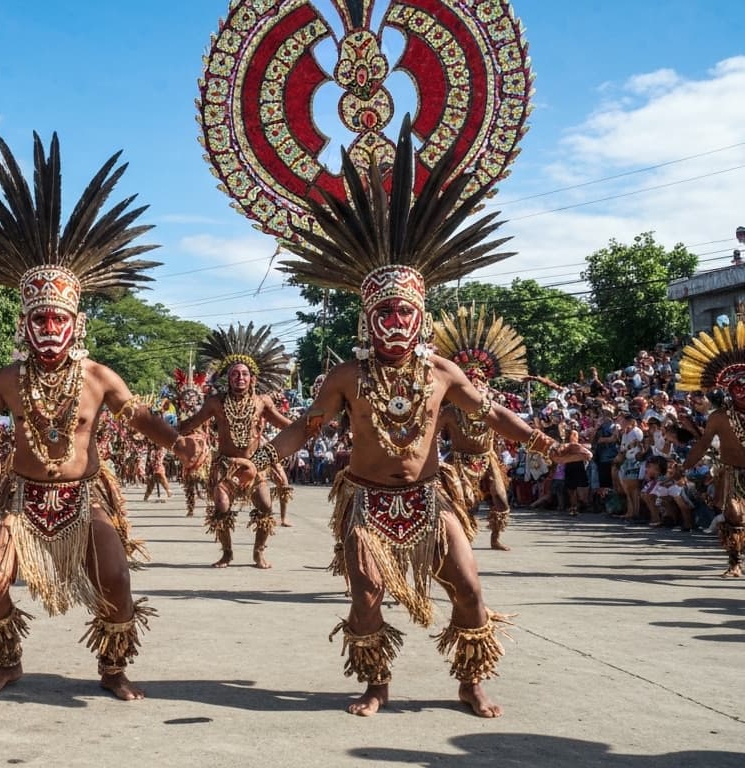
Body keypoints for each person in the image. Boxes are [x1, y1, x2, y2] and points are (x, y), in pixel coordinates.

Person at [235, 123, 588, 718]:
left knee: (470, 590)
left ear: (420, 316)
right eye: (384, 313)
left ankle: (471, 681)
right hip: (367, 504)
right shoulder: (346, 375)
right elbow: (307, 427)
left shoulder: (444, 371)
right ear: (367, 319)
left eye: (405, 312)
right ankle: (376, 684)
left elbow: (493, 411)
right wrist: (264, 460)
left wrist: (548, 446)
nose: (394, 322)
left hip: (428, 498)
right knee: (367, 597)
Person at [0, 133, 200, 700]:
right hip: (24, 498)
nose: (50, 329)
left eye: (59, 319)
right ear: (25, 323)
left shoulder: (99, 376)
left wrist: (176, 440)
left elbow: (139, 417)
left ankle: (112, 670)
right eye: (41, 319)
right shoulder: (8, 379)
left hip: (86, 497)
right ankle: (8, 661)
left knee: (115, 580)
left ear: (76, 323)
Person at [178, 323, 294, 568]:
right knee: (221, 507)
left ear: (252, 378)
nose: (239, 378)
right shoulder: (215, 403)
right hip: (225, 466)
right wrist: (160, 429)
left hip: (253, 466)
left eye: (244, 374)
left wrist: (311, 424)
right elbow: (191, 423)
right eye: (234, 374)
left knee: (265, 506)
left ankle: (258, 552)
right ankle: (227, 553)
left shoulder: (262, 402)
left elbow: (287, 425)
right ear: (227, 378)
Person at [431, 305, 528, 550]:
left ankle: (495, 538)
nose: (478, 387)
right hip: (460, 461)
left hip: (487, 459)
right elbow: (430, 433)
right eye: (472, 383)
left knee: (501, 499)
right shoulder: (450, 412)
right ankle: (462, 537)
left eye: (481, 383)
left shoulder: (491, 408)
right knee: (466, 502)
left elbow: (508, 427)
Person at [678, 322, 745, 575]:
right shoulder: (718, 417)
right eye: (737, 387)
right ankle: (734, 563)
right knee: (734, 516)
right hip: (732, 473)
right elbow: (703, 444)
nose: (742, 391)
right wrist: (683, 468)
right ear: (728, 389)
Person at [169, 368, 210, 516]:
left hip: (202, 447)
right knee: (189, 481)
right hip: (186, 448)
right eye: (187, 397)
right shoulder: (180, 413)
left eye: (193, 397)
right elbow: (178, 428)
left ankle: (211, 504)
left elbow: (208, 430)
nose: (190, 399)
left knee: (204, 479)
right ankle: (191, 508)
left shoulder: (203, 411)